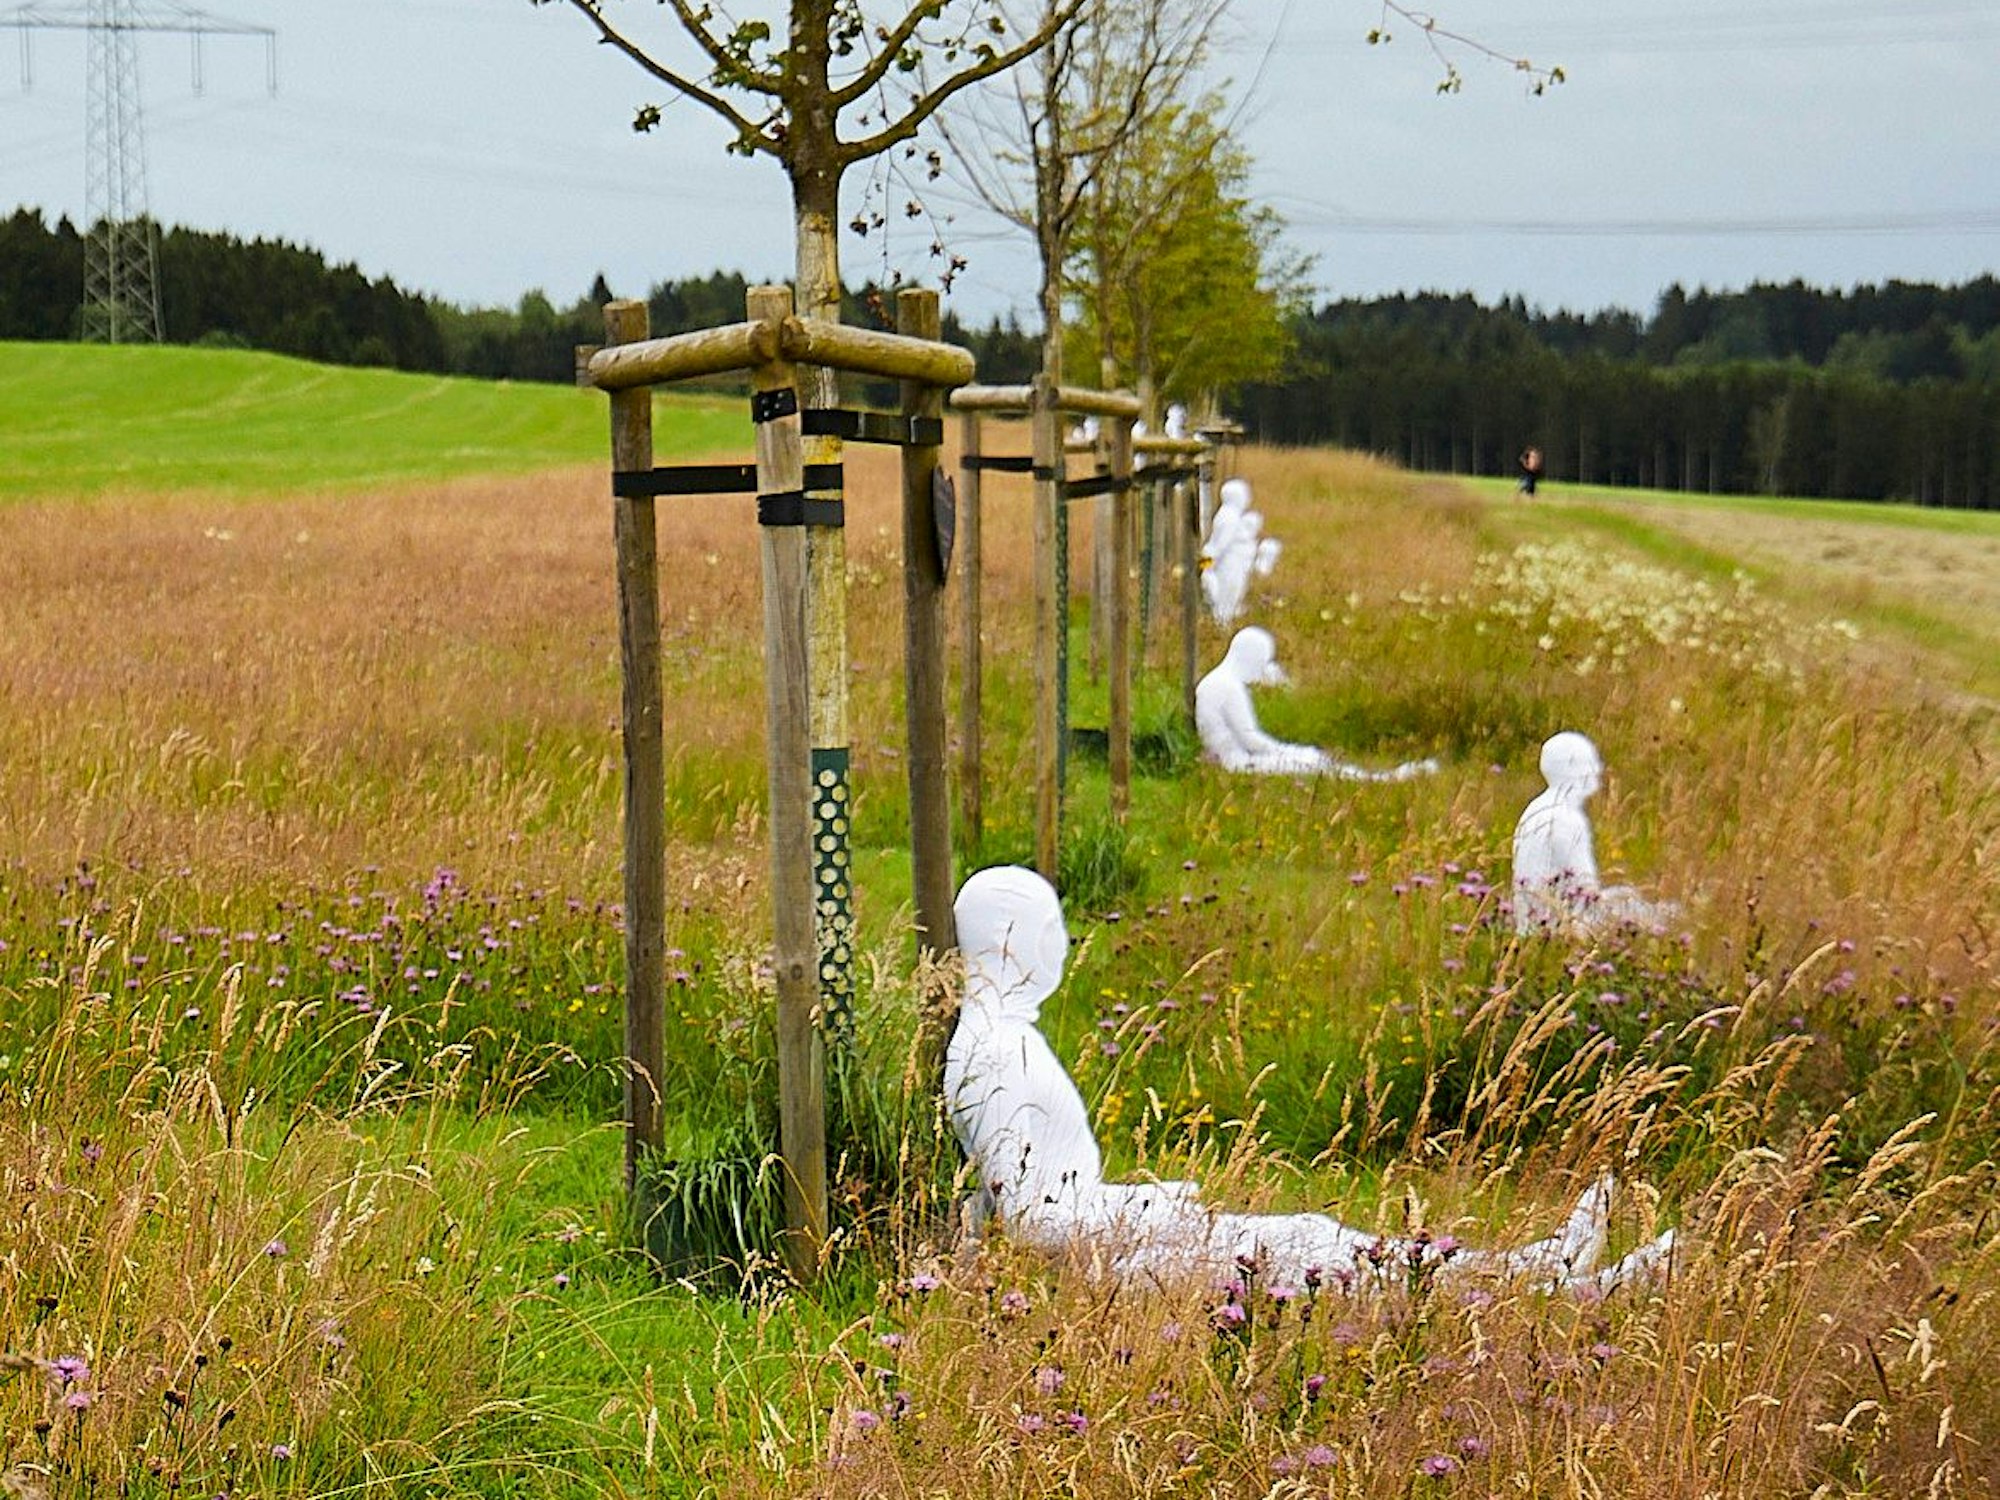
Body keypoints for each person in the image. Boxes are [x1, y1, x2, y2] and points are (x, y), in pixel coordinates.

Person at [944, 865, 1675, 1289]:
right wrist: (1149, 1202)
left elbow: (1003, 1202)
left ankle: (1531, 1271)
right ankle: (1549, 1285)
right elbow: (1034, 1221)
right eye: (1053, 930)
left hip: (1121, 1244)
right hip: (1112, 1264)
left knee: (1311, 1237)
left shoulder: (996, 1039)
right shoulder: (1000, 1054)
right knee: (1313, 1254)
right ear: (1015, 940)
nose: (1065, 946)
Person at [1195, 628, 1438, 782]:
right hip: (1239, 764)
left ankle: (1377, 776)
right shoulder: (1227, 686)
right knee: (1312, 761)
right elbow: (1250, 740)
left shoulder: (1217, 682)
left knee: (1311, 757)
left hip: (1237, 759)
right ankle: (1381, 779)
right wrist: (1286, 751)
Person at [1512, 731, 1678, 936]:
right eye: (1590, 762)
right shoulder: (1567, 819)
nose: (1597, 769)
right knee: (1673, 918)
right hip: (1558, 929)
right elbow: (1587, 896)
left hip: (1534, 924)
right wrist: (1643, 909)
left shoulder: (1536, 808)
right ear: (1570, 768)